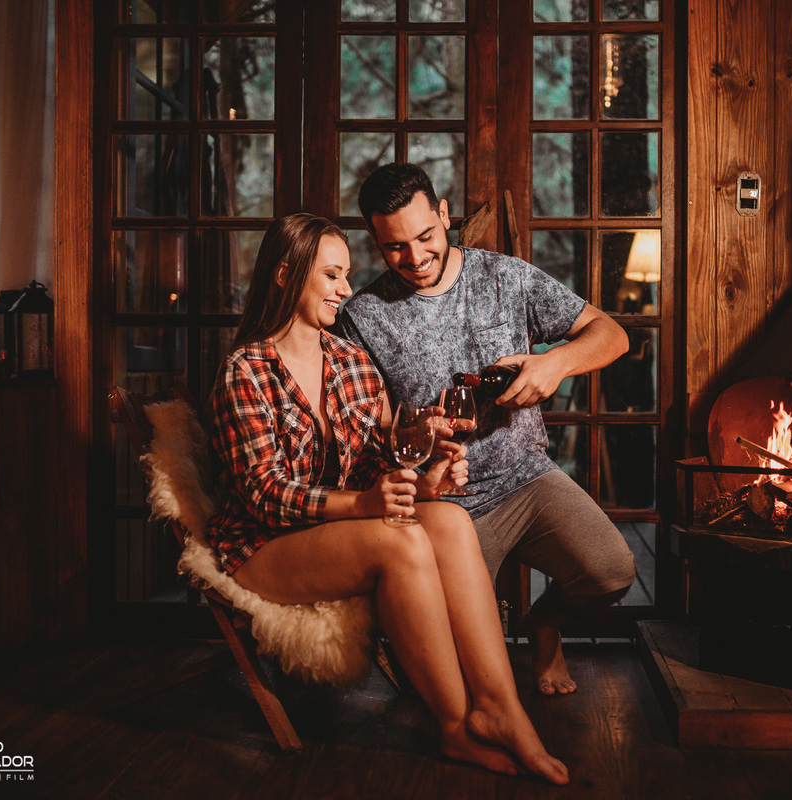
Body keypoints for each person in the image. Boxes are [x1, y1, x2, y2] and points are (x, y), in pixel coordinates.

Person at [204, 213, 568, 785]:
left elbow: (377, 462)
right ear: (283, 275)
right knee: (398, 543)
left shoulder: (349, 362)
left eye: (347, 275)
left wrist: (425, 483)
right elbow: (262, 494)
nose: (347, 291)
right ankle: (453, 723)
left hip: (337, 531)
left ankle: (502, 709)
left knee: (447, 520)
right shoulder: (245, 372)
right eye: (331, 276)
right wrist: (365, 507)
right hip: (263, 546)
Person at [335, 163, 636, 696]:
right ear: (375, 240)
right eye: (395, 247)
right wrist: (418, 435)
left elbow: (612, 335)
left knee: (611, 572)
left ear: (444, 214)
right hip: (446, 505)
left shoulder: (507, 276)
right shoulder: (363, 316)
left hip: (529, 478)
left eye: (426, 236)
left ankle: (544, 625)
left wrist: (554, 364)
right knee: (453, 677)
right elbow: (371, 438)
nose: (416, 258)